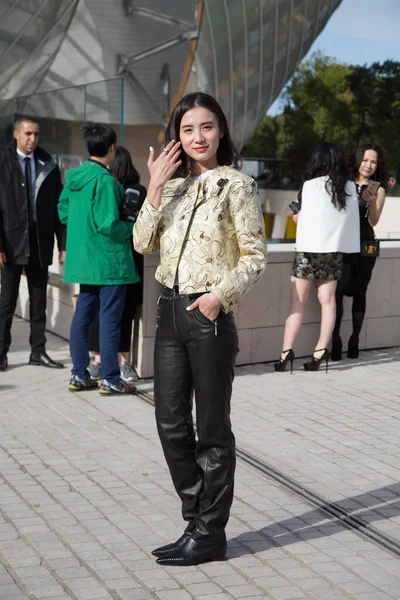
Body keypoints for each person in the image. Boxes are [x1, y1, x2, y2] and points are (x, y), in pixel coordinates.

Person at [133, 92, 267, 566]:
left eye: (206, 127)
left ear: (221, 130)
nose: (197, 137)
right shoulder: (169, 188)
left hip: (207, 315)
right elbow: (142, 241)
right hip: (168, 313)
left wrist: (216, 298)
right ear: (178, 136)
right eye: (188, 130)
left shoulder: (238, 186)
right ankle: (198, 519)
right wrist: (153, 188)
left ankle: (209, 533)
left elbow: (254, 257)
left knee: (212, 429)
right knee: (170, 423)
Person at [58, 123, 139, 395]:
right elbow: (108, 224)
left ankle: (79, 374)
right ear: (112, 148)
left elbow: (63, 212)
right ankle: (110, 378)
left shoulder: (74, 177)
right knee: (109, 321)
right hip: (108, 263)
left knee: (82, 317)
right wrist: (132, 228)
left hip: (83, 261)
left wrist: (83, 227)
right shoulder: (105, 181)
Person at [274, 142, 360, 373]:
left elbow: (304, 221)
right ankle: (321, 351)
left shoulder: (310, 186)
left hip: (308, 252)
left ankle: (285, 354)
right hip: (333, 252)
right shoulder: (349, 188)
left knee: (297, 303)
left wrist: (297, 217)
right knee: (328, 301)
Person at [0, 116, 66, 371]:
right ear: (16, 134)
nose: (33, 139)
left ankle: (38, 351)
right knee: (6, 302)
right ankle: (2, 353)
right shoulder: (3, 161)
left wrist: (62, 243)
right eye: (28, 134)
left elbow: (58, 207)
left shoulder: (47, 163)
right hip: (11, 243)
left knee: (39, 302)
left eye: (36, 134)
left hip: (39, 243)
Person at [87, 146, 146, 383]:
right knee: (97, 311)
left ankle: (124, 363)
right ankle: (99, 361)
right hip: (103, 258)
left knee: (125, 311)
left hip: (127, 259)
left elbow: (124, 217)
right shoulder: (103, 187)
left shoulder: (134, 190)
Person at [332, 143, 387, 360]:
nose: (368, 165)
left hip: (365, 246)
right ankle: (335, 340)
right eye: (365, 160)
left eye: (373, 161)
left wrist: (372, 203)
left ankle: (354, 340)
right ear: (358, 160)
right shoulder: (344, 183)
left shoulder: (376, 187)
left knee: (359, 292)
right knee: (336, 293)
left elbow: (373, 221)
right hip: (344, 245)